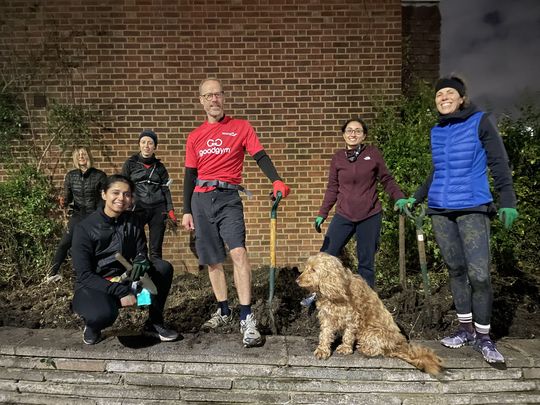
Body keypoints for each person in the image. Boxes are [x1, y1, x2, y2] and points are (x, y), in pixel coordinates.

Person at [397, 76, 518, 364]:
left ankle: (484, 336)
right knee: (456, 270)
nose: (444, 97)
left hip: (473, 206)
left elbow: (498, 161)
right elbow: (437, 171)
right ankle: (465, 329)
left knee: (479, 275)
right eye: (440, 94)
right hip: (441, 208)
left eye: (450, 92)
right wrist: (416, 197)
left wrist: (508, 200)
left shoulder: (481, 121)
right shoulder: (436, 131)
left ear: (462, 98)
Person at [181, 78, 291, 348]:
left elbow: (260, 156)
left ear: (223, 98)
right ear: (201, 101)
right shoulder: (194, 136)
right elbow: (189, 175)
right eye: (208, 96)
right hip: (200, 199)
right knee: (212, 259)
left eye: (217, 94)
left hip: (229, 197)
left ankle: (246, 316)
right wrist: (186, 210)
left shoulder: (240, 127)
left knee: (238, 252)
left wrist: (275, 180)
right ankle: (223, 310)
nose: (213, 100)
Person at [71, 174, 178, 345]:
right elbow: (84, 275)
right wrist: (121, 291)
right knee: (103, 314)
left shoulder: (133, 221)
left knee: (162, 268)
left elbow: (141, 251)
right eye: (116, 193)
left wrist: (141, 261)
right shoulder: (84, 228)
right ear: (104, 194)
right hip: (95, 285)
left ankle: (154, 323)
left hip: (126, 278)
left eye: (126, 194)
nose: (121, 198)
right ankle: (92, 326)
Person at [314, 118, 407, 288]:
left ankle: (368, 301)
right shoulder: (338, 158)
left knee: (366, 262)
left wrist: (399, 196)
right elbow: (332, 188)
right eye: (349, 130)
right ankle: (318, 294)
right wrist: (322, 213)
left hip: (369, 215)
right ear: (343, 135)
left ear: (364, 136)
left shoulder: (372, 154)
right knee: (326, 256)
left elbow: (386, 179)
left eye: (358, 131)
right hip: (344, 214)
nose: (353, 134)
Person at [47, 147, 106, 282]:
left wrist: (100, 215)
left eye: (83, 154)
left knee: (96, 246)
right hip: (78, 215)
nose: (81, 156)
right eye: (78, 155)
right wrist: (63, 202)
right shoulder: (71, 176)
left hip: (94, 215)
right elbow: (67, 198)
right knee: (64, 243)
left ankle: (98, 275)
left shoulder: (99, 175)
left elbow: (104, 198)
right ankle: (51, 274)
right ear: (75, 158)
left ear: (89, 156)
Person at [122, 129, 176, 259]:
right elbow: (123, 186)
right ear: (139, 144)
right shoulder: (130, 164)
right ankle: (139, 277)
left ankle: (156, 277)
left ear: (155, 146)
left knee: (156, 249)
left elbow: (165, 190)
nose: (146, 145)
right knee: (137, 245)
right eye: (143, 142)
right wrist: (124, 207)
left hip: (158, 209)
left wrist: (170, 210)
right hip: (137, 208)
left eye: (150, 143)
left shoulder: (160, 168)